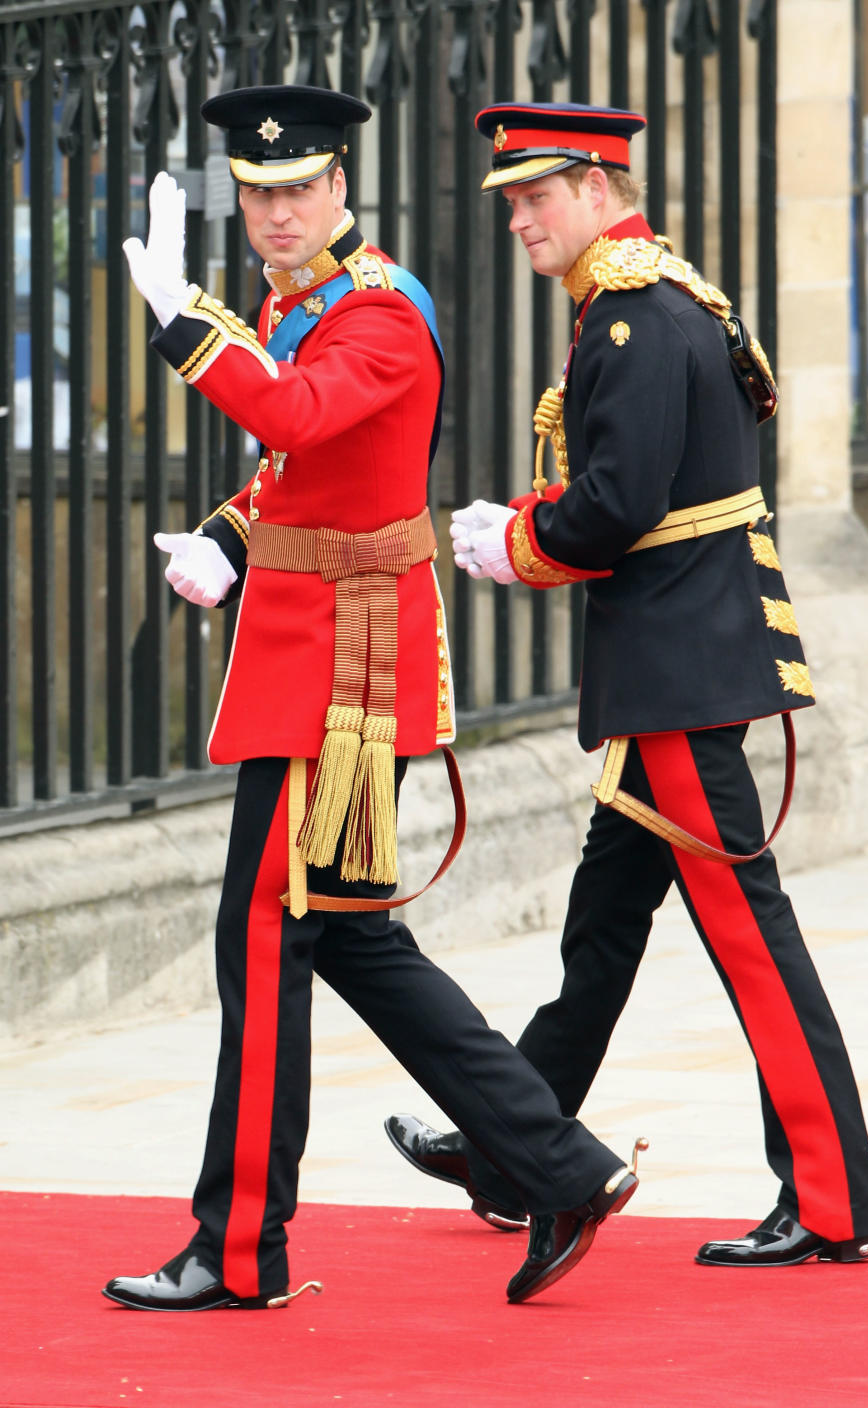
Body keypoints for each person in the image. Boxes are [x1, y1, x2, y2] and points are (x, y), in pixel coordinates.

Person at [101, 86, 638, 1313]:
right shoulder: (310, 306)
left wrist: (187, 321)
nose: (278, 213)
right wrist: (234, 541)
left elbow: (298, 410)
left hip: (334, 685)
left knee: (263, 943)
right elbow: (303, 467)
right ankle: (558, 1164)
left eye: (298, 191)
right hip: (316, 657)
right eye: (258, 192)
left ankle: (240, 1250)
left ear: (342, 187)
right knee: (340, 936)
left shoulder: (382, 311)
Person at [386, 101, 868, 1269]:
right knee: (605, 923)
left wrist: (514, 542)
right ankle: (515, 1145)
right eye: (511, 201)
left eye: (534, 197)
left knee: (750, 935)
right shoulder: (663, 297)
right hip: (675, 657)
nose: (517, 219)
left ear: (594, 187)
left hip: (674, 664)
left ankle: (832, 1198)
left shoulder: (631, 320)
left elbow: (617, 508)